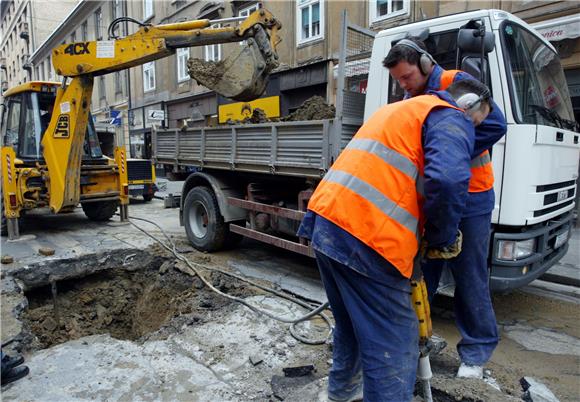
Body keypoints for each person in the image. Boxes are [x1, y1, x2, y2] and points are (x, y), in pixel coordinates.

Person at [298, 79, 493, 401]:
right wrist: (441, 237)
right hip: (368, 238)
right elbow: (447, 180)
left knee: (352, 326)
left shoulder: (399, 110)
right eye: (476, 122)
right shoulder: (450, 116)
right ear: (468, 105)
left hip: (327, 222)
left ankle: (341, 393)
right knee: (396, 343)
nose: (473, 134)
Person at [384, 38, 507, 379]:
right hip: (434, 196)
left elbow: (497, 125)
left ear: (424, 64)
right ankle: (417, 340)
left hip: (472, 196)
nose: (403, 85)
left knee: (470, 276)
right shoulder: (413, 97)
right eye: (398, 80)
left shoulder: (456, 83)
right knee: (423, 272)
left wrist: (449, 150)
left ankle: (475, 354)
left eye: (407, 76)